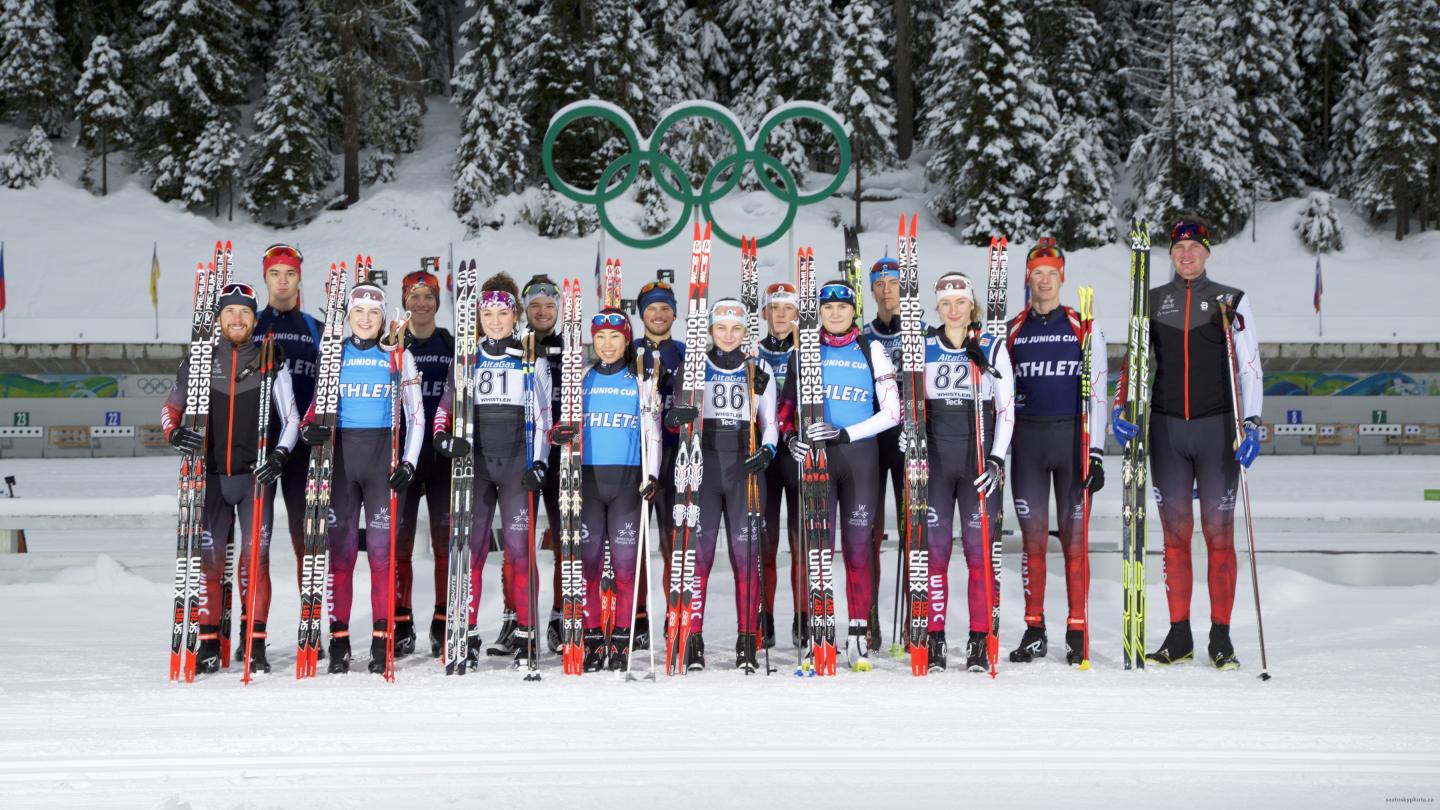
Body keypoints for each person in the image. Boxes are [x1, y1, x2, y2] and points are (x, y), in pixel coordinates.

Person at [1111, 217, 1263, 671]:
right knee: (1175, 539)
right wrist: (1123, 410)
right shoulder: (1154, 300)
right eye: (1178, 248)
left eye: (1195, 246)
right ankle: (1180, 635)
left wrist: (1251, 423)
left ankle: (1221, 637)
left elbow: (1250, 365)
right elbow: (1134, 362)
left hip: (1217, 431)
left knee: (1219, 537)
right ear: (1170, 254)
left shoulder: (1231, 299)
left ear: (1207, 251)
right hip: (1167, 432)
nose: (1186, 254)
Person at [162, 281, 299, 674]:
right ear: (219, 317)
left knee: (255, 562)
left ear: (254, 319)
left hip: (256, 476)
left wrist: (280, 453)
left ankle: (253, 645)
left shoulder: (271, 359)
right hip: (211, 477)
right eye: (230, 312)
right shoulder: (200, 360)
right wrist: (174, 433)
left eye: (245, 313)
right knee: (210, 564)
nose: (237, 319)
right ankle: (208, 643)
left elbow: (291, 417)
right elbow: (170, 409)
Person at [299, 283, 423, 675]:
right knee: (342, 556)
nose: (366, 319)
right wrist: (308, 429)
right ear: (349, 316)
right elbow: (316, 407)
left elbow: (416, 416)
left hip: (381, 464)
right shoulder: (333, 354)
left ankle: (381, 639)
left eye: (373, 312)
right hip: (341, 465)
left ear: (384, 316)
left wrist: (409, 462)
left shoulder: (399, 356)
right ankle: (338, 641)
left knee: (383, 558)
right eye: (359, 312)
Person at [431, 273, 552, 669]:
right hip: (475, 468)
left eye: (503, 313)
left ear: (514, 315)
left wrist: (540, 461)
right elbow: (444, 410)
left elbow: (544, 417)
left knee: (520, 554)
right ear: (479, 318)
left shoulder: (530, 359)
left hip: (517, 468)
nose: (496, 320)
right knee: (470, 553)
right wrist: (442, 439)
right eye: (489, 314)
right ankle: (463, 633)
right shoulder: (466, 358)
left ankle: (526, 633)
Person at [784, 279, 902, 671]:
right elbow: (786, 411)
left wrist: (846, 433)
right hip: (817, 459)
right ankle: (820, 630)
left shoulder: (872, 350)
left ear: (854, 311)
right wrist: (790, 441)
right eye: (828, 307)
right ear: (819, 311)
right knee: (816, 548)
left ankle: (857, 633)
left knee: (856, 547)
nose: (835, 314)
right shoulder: (802, 352)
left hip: (859, 457)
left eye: (843, 307)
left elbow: (892, 413)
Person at [1004, 240, 1106, 666]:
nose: (1043, 281)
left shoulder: (1084, 326)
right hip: (1027, 442)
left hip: (1071, 443)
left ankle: (1077, 628)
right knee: (1032, 543)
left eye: (1050, 273)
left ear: (1062, 276)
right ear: (1028, 278)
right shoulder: (1013, 328)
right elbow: (999, 394)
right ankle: (1034, 629)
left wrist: (1097, 452)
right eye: (1036, 273)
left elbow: (1098, 391)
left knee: (1075, 541)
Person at [663, 299, 778, 672]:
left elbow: (770, 421)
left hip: (744, 468)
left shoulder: (758, 369)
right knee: (699, 559)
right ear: (710, 331)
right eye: (721, 328)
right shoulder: (693, 368)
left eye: (736, 329)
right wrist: (675, 417)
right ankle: (692, 639)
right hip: (704, 468)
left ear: (746, 333)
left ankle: (747, 641)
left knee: (746, 559)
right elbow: (672, 417)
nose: (728, 336)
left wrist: (768, 449)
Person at [550, 307, 660, 672]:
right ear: (592, 341)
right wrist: (557, 435)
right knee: (589, 567)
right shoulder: (581, 379)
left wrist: (653, 474)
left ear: (627, 340)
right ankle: (594, 636)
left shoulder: (639, 380)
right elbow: (559, 428)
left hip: (628, 483)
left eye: (615, 337)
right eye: (600, 337)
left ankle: (623, 638)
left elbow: (652, 433)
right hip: (588, 484)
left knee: (626, 569)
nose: (607, 343)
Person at [922, 273, 1015, 673]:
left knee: (979, 556)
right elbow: (910, 404)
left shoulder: (992, 347)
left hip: (978, 464)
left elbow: (1008, 408)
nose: (954, 310)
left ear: (972, 305)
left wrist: (996, 459)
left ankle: (979, 639)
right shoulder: (924, 346)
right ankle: (936, 637)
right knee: (936, 555)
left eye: (960, 302)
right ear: (938, 308)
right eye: (946, 304)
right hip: (938, 465)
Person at [252, 244, 322, 594]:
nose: (282, 281)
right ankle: (255, 634)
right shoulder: (251, 323)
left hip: (304, 452)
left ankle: (309, 634)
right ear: (265, 277)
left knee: (305, 541)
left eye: (290, 273)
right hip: (259, 447)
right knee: (256, 545)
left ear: (299, 278)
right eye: (275, 273)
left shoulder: (314, 327)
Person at [393, 269, 453, 657]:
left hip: (443, 457)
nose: (421, 304)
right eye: (413, 297)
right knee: (400, 544)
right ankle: (400, 621)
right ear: (404, 301)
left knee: (444, 543)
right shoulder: (393, 343)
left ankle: (442, 619)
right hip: (403, 457)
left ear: (436, 301)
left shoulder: (449, 341)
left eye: (427, 296)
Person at [860, 256, 918, 651]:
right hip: (872, 439)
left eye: (893, 283)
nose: (886, 290)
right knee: (870, 532)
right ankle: (872, 617)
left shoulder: (920, 331)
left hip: (909, 438)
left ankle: (916, 614)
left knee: (913, 529)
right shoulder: (863, 334)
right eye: (879, 283)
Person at [518, 275, 570, 656]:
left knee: (566, 543)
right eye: (535, 305)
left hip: (563, 456)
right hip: (524, 455)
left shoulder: (573, 348)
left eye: (548, 305)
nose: (541, 311)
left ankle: (559, 614)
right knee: (521, 544)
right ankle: (516, 618)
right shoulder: (514, 346)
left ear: (558, 309)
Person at [633, 279, 683, 652]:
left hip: (674, 457)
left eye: (665, 307)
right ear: (641, 313)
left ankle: (672, 615)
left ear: (675, 314)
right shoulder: (625, 348)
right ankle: (635, 618)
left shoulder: (683, 351)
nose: (659, 314)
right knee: (630, 544)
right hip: (635, 459)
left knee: (671, 543)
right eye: (652, 308)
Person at [756, 282, 799, 649]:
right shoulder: (752, 354)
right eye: (775, 308)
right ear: (764, 313)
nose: (781, 315)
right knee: (765, 544)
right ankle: (764, 618)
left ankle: (803, 618)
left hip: (800, 455)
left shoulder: (810, 350)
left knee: (802, 544)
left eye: (788, 308)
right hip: (766, 456)